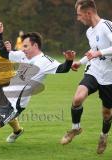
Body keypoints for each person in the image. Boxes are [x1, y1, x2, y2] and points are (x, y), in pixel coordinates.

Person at [0, 32, 76, 154]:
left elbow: (63, 69)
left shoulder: (45, 61)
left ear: (35, 46)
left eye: (26, 46)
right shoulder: (23, 55)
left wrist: (69, 61)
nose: (23, 48)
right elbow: (5, 54)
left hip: (15, 104)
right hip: (5, 93)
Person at [60, 0, 112, 155]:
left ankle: (104, 136)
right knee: (77, 99)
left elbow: (100, 51)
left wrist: (99, 53)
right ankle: (75, 128)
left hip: (109, 76)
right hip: (94, 71)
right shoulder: (90, 31)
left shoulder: (106, 26)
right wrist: (80, 62)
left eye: (79, 15)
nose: (78, 18)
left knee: (107, 113)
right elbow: (94, 49)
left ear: (88, 13)